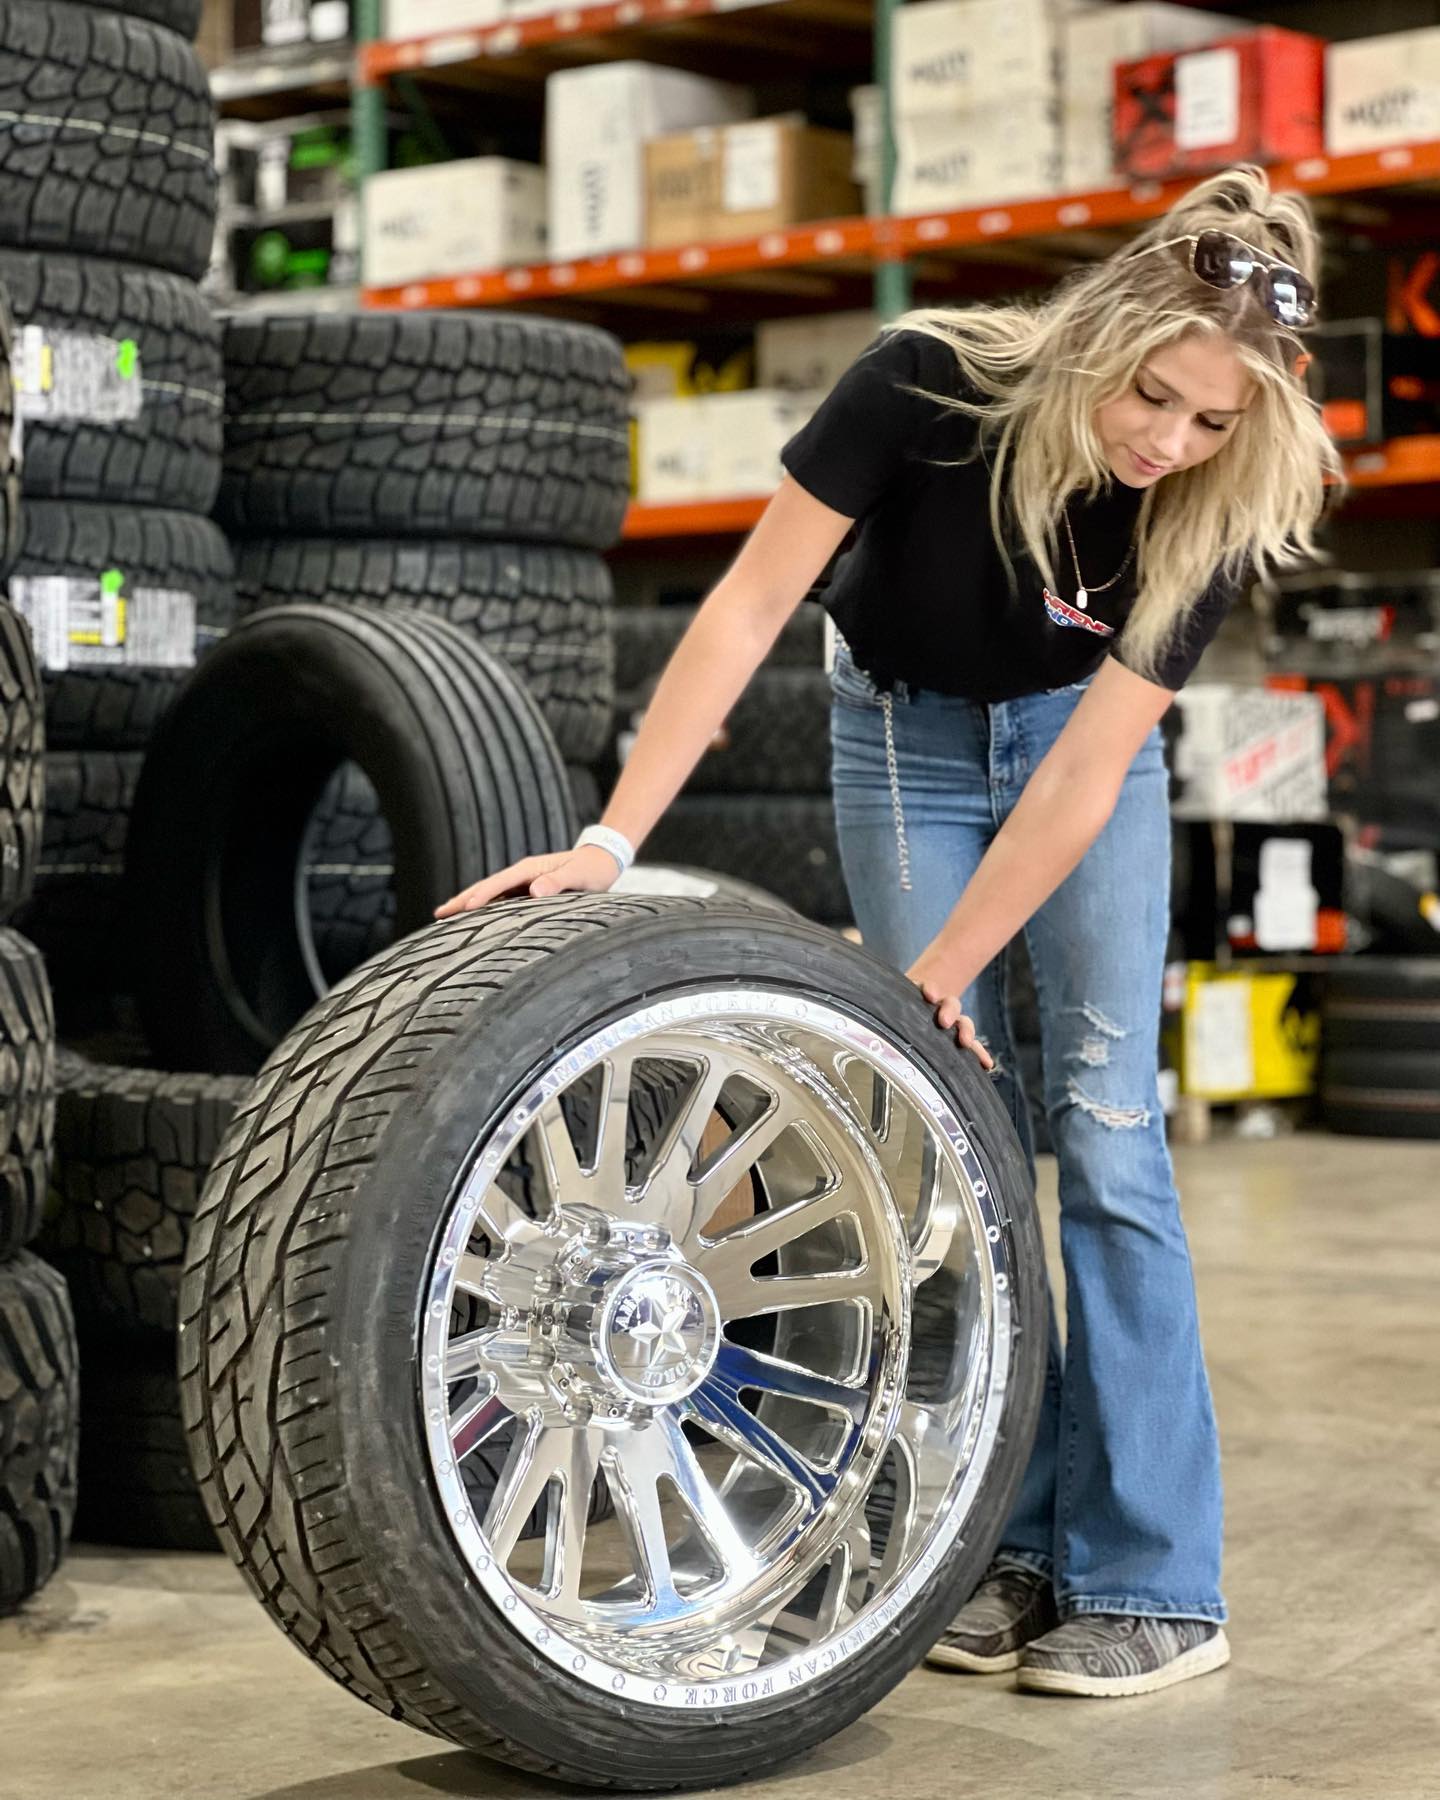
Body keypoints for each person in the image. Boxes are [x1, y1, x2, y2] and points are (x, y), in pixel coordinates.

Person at [438, 166, 1336, 1699]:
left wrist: (945, 959)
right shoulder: (922, 384)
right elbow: (742, 608)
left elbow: (1082, 777)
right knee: (956, 1145)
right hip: (902, 737)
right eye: (1156, 398)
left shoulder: (1208, 516)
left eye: (1210, 424)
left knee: (1107, 1134)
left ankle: (1155, 1579)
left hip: (1075, 763)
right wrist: (609, 839)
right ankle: (1010, 1547)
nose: (1166, 444)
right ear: (1105, 329)